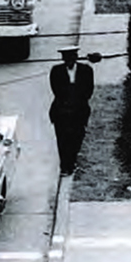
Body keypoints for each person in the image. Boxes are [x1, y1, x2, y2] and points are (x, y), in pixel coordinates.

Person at [48, 45, 95, 174]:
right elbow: (56, 90)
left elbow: (89, 90)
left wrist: (77, 101)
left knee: (77, 137)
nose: (68, 60)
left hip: (79, 111)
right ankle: (65, 166)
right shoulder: (56, 71)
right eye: (65, 57)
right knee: (62, 139)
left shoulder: (86, 70)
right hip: (61, 112)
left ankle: (72, 161)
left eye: (71, 57)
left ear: (76, 57)